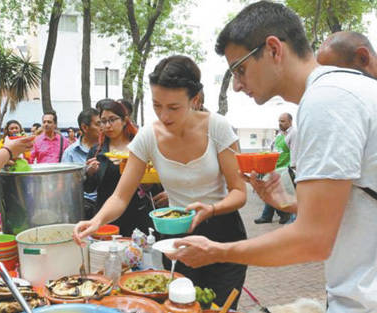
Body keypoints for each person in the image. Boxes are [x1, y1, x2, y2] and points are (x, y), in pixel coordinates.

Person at [167, 2, 377, 312]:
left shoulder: (327, 100)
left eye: (240, 69)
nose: (237, 85)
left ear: (274, 49)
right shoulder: (346, 90)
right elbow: (358, 202)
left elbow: (313, 240)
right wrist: (288, 203)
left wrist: (218, 251)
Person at [73, 56, 248, 308]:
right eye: (157, 105)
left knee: (218, 307)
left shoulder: (218, 128)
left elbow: (239, 192)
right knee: (177, 306)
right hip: (176, 237)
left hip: (223, 232)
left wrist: (211, 209)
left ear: (195, 99)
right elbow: (121, 196)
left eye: (173, 107)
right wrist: (96, 221)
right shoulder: (148, 136)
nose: (164, 116)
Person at [83, 99, 159, 234]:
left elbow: (155, 185)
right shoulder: (97, 151)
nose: (108, 125)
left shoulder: (139, 147)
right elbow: (89, 188)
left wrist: (147, 183)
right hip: (107, 215)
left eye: (112, 119)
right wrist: (89, 173)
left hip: (137, 215)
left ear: (124, 120)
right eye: (103, 121)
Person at [254, 113, 295, 224]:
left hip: (285, 169)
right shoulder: (279, 135)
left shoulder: (293, 133)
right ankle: (269, 216)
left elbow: (294, 152)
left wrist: (292, 169)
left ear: (290, 121)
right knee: (270, 190)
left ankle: (283, 215)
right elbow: (273, 149)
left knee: (279, 193)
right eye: (279, 121)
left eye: (283, 121)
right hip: (276, 168)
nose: (280, 123)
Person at [62, 108, 101, 219]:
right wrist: (86, 173)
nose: (102, 127)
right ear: (84, 127)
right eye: (98, 124)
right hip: (82, 206)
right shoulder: (70, 153)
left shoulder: (107, 149)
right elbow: (66, 185)